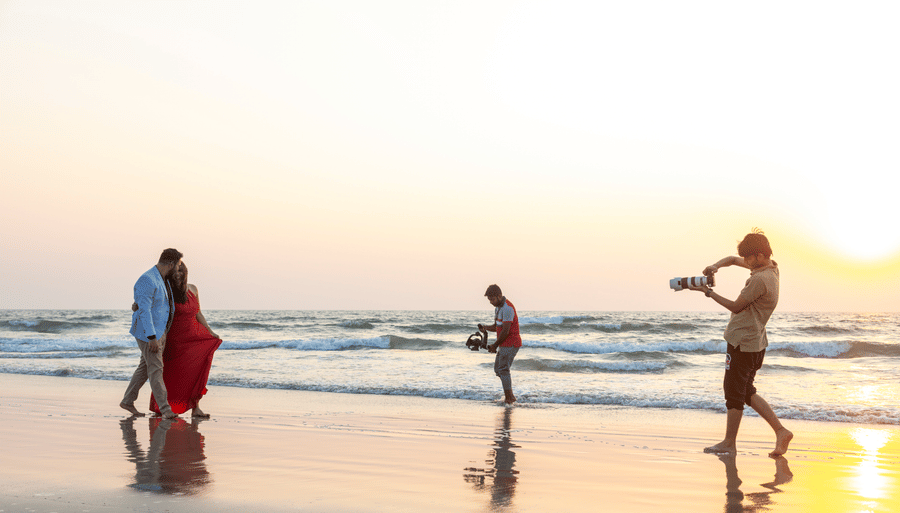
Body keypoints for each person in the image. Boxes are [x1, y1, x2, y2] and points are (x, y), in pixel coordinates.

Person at [689, 230, 793, 457]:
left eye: (748, 258)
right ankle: (781, 431)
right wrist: (715, 266)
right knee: (746, 391)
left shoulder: (760, 279)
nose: (744, 262)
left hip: (743, 343)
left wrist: (707, 292)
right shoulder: (771, 268)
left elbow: (736, 306)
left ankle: (729, 443)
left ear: (758, 256)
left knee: (733, 392)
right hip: (756, 343)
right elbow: (734, 260)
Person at [139, 262, 222, 418]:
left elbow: (198, 314)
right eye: (175, 271)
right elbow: (150, 306)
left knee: (195, 372)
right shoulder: (165, 291)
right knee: (171, 374)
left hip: (192, 338)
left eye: (181, 271)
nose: (178, 274)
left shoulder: (193, 289)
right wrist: (137, 306)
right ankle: (162, 406)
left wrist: (210, 332)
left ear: (185, 272)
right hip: (174, 339)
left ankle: (195, 407)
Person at [120, 248, 183, 419]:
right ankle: (165, 409)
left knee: (144, 368)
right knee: (156, 369)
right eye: (177, 266)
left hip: (160, 332)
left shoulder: (163, 279)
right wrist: (152, 338)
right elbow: (144, 311)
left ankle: (127, 401)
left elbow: (151, 303)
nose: (178, 269)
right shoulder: (147, 279)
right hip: (149, 334)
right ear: (170, 264)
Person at [479, 285, 522, 405]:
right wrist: (485, 328)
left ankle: (509, 398)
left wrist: (495, 345)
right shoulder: (498, 308)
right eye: (489, 300)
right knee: (498, 369)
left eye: (492, 299)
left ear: (499, 296)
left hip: (511, 343)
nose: (491, 302)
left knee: (503, 369)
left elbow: (506, 331)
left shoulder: (508, 308)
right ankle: (511, 395)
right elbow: (497, 326)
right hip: (504, 343)